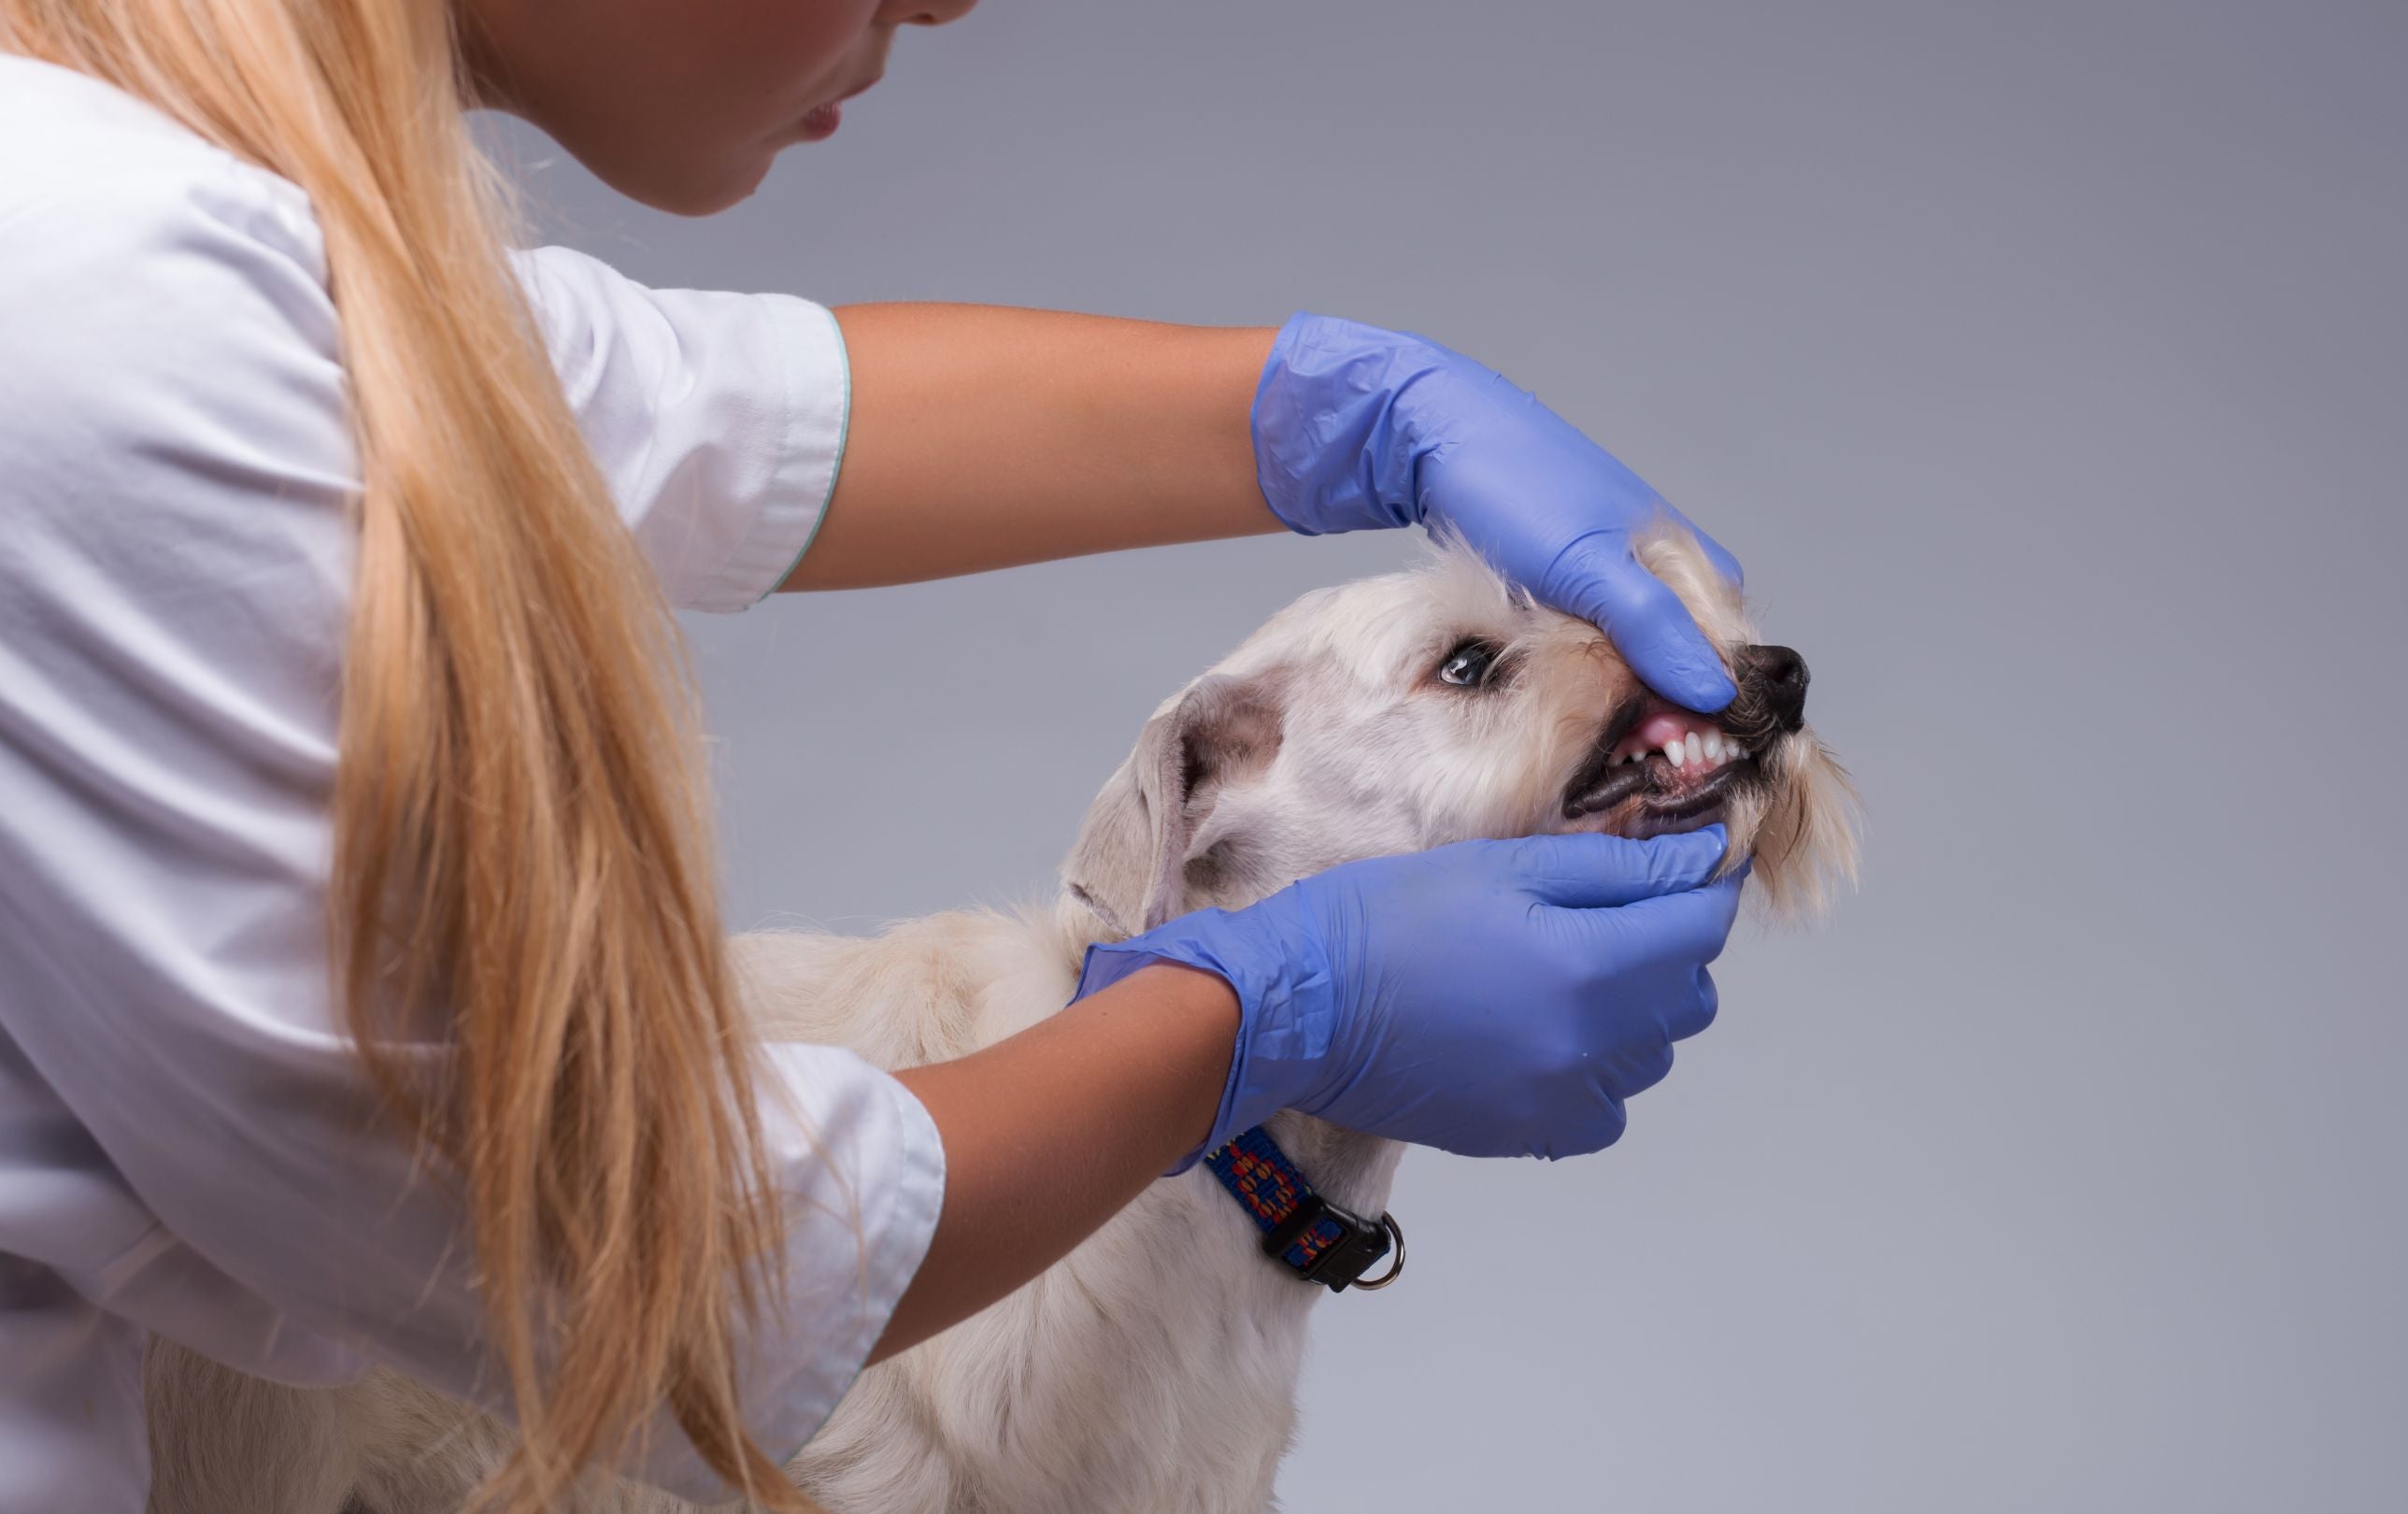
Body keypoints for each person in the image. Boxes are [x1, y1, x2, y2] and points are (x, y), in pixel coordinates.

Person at [0, 2, 1753, 1509]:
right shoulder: (96, 314)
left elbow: (695, 413)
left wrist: (1336, 412)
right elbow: (605, 1257)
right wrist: (1251, 1016)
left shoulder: (162, 233)